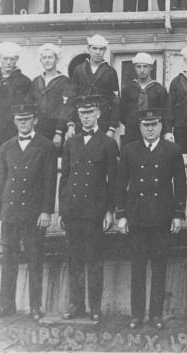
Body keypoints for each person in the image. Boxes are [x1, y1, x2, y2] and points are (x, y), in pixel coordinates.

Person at [116, 108, 187, 330]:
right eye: (146, 125)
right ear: (140, 127)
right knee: (137, 269)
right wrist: (121, 215)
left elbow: (180, 184)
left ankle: (156, 314)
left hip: (161, 218)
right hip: (137, 218)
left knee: (159, 268)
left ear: (161, 126)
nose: (150, 129)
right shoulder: (129, 150)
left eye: (154, 124)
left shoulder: (172, 150)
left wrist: (178, 214)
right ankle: (136, 315)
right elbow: (120, 184)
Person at [0, 104, 57, 320]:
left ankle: (36, 306)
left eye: (27, 119)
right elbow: (0, 179)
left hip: (34, 214)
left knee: (35, 260)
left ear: (35, 120)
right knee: (8, 260)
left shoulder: (46, 146)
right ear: (15, 121)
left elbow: (50, 181)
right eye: (19, 120)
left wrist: (46, 211)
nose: (23, 123)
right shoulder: (6, 147)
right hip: (10, 211)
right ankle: (6, 305)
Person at [59, 95, 119, 322]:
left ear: (98, 114)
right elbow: (65, 179)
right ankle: (76, 305)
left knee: (94, 261)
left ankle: (95, 307)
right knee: (74, 260)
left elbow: (113, 181)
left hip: (95, 211)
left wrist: (110, 211)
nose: (86, 117)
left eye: (90, 112)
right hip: (73, 211)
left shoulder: (108, 143)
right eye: (82, 113)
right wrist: (63, 210)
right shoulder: (71, 143)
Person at [0, 42, 32, 159]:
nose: (9, 62)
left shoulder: (25, 82)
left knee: (14, 161)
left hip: (13, 130)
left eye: (12, 59)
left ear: (17, 59)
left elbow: (27, 109)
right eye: (5, 59)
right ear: (0, 58)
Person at [70, 34, 120, 137]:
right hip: (81, 121)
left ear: (105, 50)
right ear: (88, 48)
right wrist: (70, 124)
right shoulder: (79, 69)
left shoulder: (110, 72)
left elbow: (115, 101)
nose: (98, 52)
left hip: (103, 123)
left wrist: (112, 128)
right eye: (94, 48)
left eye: (101, 49)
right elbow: (71, 97)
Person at [29, 43, 75, 149]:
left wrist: (59, 132)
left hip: (56, 130)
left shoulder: (65, 81)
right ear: (40, 60)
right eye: (44, 58)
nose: (47, 60)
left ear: (57, 60)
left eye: (50, 57)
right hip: (38, 129)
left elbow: (66, 108)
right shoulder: (36, 81)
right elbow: (30, 105)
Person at [119, 52, 167, 145]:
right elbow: (122, 114)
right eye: (139, 66)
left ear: (151, 68)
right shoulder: (127, 90)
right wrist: (133, 123)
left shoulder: (160, 90)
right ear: (134, 68)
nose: (142, 70)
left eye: (145, 66)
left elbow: (165, 113)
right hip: (132, 133)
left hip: (152, 133)